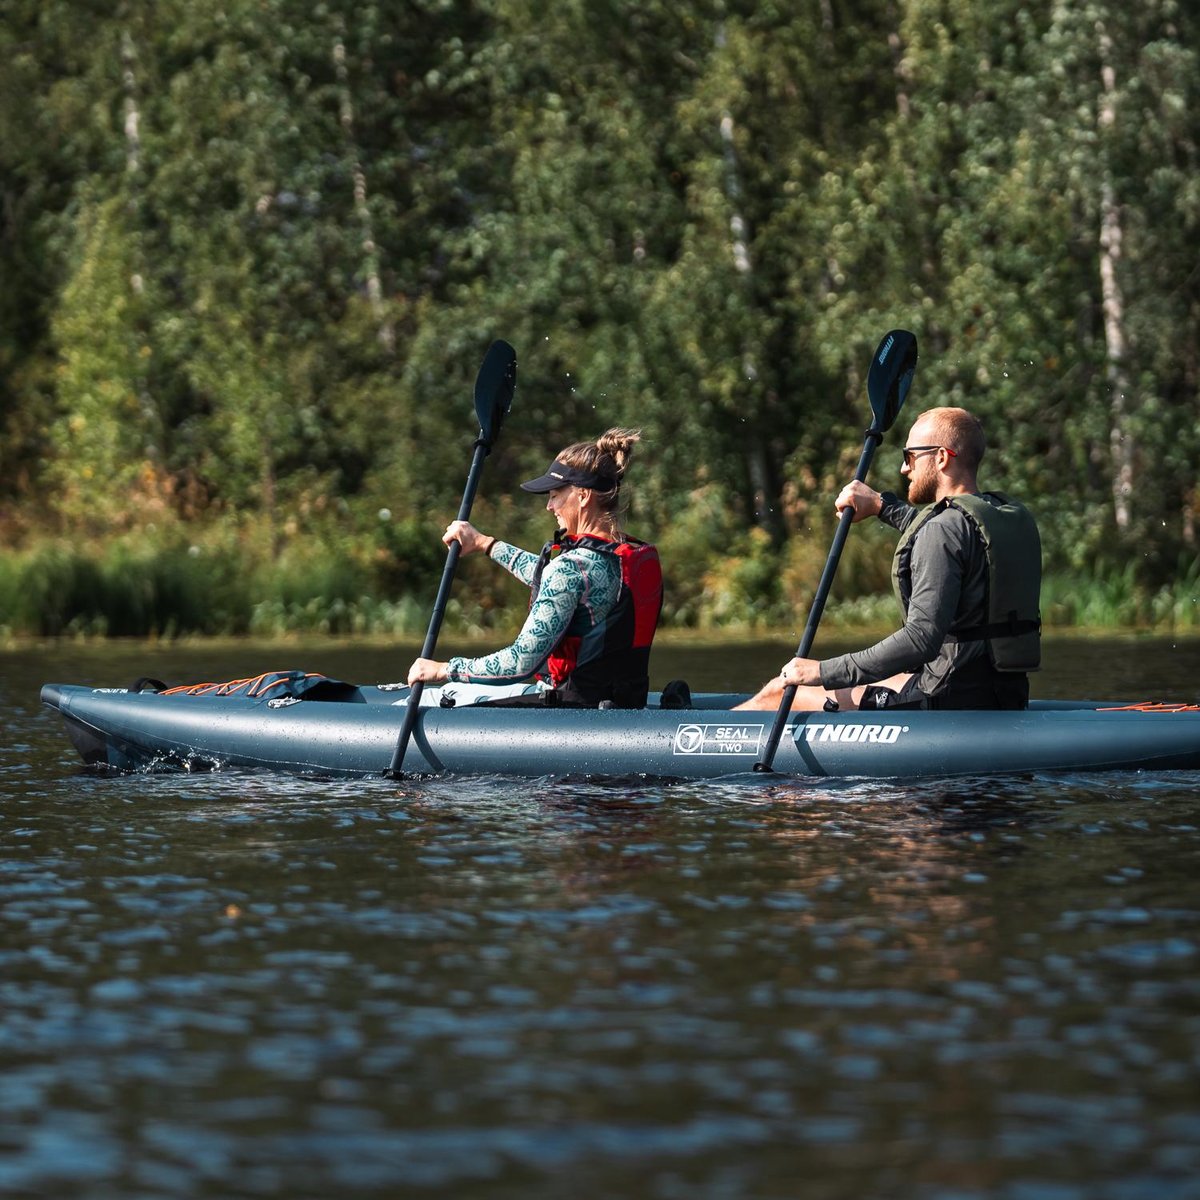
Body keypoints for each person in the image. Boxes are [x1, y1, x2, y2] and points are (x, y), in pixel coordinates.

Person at [737, 406, 1041, 713]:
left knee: (781, 691)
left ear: (941, 458)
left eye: (910, 456)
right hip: (1000, 691)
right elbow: (944, 534)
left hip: (946, 698)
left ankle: (700, 736)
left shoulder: (944, 530)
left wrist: (821, 672)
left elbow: (920, 640)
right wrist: (881, 505)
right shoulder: (1003, 516)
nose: (903, 469)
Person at [406, 428, 664, 708]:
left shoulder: (571, 568)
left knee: (428, 698)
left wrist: (443, 669)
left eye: (554, 495)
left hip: (571, 709)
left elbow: (520, 663)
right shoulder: (622, 558)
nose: (549, 506)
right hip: (621, 702)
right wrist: (485, 543)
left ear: (583, 496)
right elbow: (551, 578)